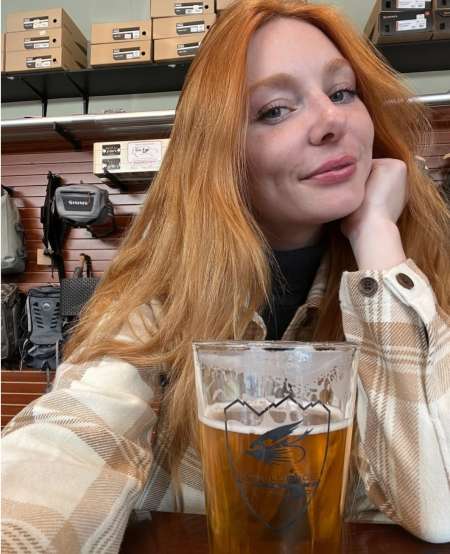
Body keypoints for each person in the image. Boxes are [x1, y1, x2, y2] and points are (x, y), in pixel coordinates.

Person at [2, 0, 449, 551]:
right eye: (275, 110)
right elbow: (75, 436)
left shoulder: (422, 276)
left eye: (341, 93)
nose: (331, 121)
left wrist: (377, 238)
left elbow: (440, 508)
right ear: (220, 153)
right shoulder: (157, 296)